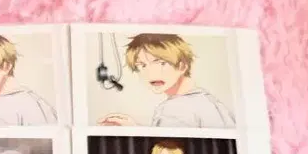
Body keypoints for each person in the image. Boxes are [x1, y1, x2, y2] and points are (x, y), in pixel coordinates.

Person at [98, 33, 236, 128]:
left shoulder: (173, 109)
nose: (151, 73)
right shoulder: (210, 101)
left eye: (161, 63)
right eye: (142, 65)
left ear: (182, 66)